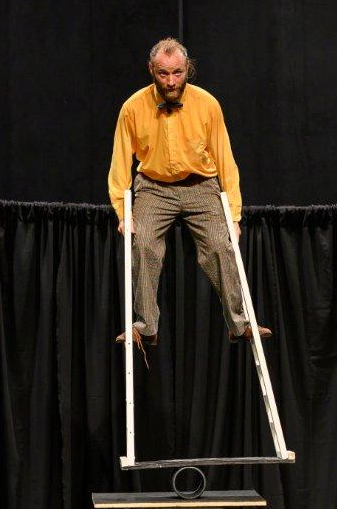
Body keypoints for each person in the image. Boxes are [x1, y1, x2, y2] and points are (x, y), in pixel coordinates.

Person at [108, 37, 272, 350]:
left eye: (178, 73)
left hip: (201, 186)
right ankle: (146, 327)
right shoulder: (132, 107)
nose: (171, 81)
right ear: (152, 71)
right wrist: (122, 212)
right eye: (163, 74)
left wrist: (234, 215)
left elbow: (226, 160)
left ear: (188, 70)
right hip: (154, 187)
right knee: (141, 243)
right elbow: (119, 164)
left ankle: (239, 324)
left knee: (220, 246)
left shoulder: (207, 104)